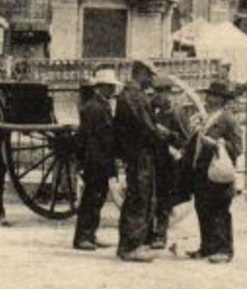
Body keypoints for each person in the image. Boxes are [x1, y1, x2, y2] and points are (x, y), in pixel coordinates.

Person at [109, 63, 173, 262]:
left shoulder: (130, 94)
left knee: (137, 197)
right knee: (139, 198)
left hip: (135, 152)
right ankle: (131, 247)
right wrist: (162, 134)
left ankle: (127, 245)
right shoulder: (134, 96)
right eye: (149, 76)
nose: (151, 80)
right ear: (141, 73)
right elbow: (145, 126)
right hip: (139, 153)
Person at [132, 60, 189, 250]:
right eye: (156, 93)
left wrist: (169, 134)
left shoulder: (177, 112)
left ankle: (160, 234)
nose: (159, 97)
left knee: (164, 199)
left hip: (169, 161)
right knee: (149, 197)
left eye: (163, 92)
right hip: (152, 159)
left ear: (170, 93)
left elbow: (185, 140)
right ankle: (147, 233)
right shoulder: (149, 108)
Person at [187, 79, 243, 263]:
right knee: (203, 208)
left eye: (212, 96)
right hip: (202, 170)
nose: (208, 99)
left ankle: (224, 249)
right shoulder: (206, 117)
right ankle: (207, 247)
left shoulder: (227, 119)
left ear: (221, 99)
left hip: (218, 172)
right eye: (209, 95)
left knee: (220, 210)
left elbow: (237, 147)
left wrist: (217, 143)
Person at [72, 68, 121, 252]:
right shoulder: (94, 107)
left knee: (97, 198)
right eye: (110, 87)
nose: (113, 91)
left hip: (100, 159)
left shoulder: (100, 105)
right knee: (92, 199)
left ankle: (90, 234)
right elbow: (91, 137)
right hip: (95, 160)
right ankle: (83, 237)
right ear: (102, 87)